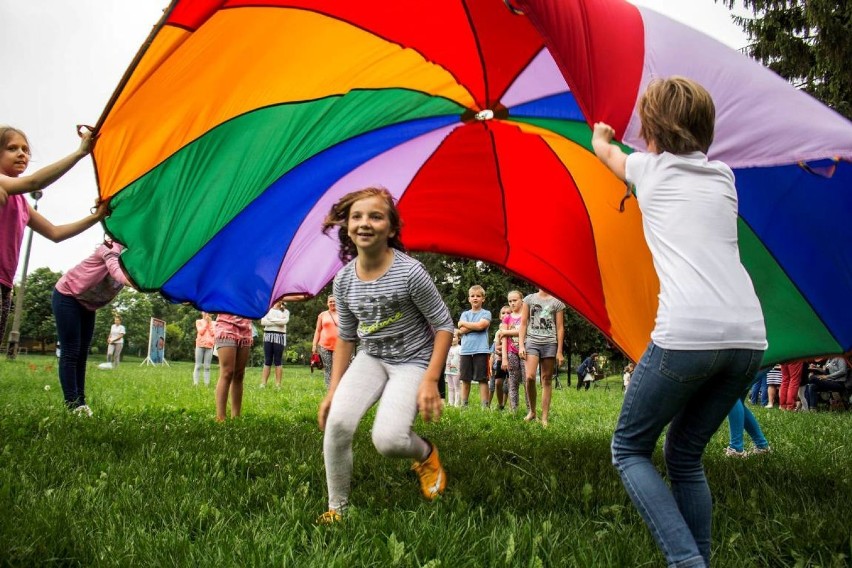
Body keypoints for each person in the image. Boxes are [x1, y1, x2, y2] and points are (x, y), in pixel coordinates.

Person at [592, 76, 767, 568]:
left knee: (629, 449)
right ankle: (702, 559)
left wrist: (603, 134)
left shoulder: (647, 169)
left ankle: (686, 561)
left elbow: (605, 152)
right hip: (748, 339)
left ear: (651, 130)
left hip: (687, 334)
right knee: (685, 454)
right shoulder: (723, 177)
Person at [316, 187, 453, 523]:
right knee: (337, 425)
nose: (365, 223)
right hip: (372, 358)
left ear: (391, 229)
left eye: (375, 216)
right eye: (357, 216)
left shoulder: (410, 273)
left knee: (389, 441)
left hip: (413, 361)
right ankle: (339, 509)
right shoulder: (344, 281)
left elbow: (444, 325)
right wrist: (333, 390)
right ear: (347, 226)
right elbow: (347, 338)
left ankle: (425, 453)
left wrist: (431, 380)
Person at [1, 126, 106, 352]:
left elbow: (55, 233)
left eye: (25, 150)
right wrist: (80, 153)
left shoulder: (21, 203)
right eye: (12, 148)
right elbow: (33, 183)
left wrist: (96, 216)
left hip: (5, 284)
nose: (22, 154)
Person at [52, 240, 129, 415]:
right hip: (67, 296)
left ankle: (81, 402)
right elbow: (116, 272)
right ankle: (72, 404)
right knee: (71, 351)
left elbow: (150, 276)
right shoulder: (110, 247)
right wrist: (138, 285)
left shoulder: (135, 256)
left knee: (82, 354)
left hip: (88, 304)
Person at [518, 288, 565, 427]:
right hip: (532, 341)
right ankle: (532, 411)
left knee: (546, 379)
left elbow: (560, 327)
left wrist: (559, 351)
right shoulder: (529, 299)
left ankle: (544, 418)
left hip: (550, 343)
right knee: (530, 377)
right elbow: (523, 323)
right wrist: (521, 345)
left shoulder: (557, 302)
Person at [214, 314, 253, 421]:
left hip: (245, 328)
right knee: (227, 372)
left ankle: (236, 417)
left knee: (239, 374)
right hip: (225, 326)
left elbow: (269, 297)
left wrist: (302, 296)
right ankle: (220, 418)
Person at [458, 285, 492, 408]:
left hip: (481, 350)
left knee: (482, 379)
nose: (475, 298)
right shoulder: (465, 314)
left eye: (478, 296)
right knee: (465, 379)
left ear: (483, 298)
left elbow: (481, 326)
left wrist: (465, 324)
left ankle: (485, 406)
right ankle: (464, 406)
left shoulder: (486, 313)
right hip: (466, 351)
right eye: (473, 296)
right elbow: (461, 331)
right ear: (469, 299)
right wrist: (472, 326)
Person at [500, 290, 524, 413]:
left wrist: (506, 332)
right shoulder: (507, 318)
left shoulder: (526, 315)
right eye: (510, 301)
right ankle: (514, 410)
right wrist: (504, 358)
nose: (512, 303)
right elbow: (503, 338)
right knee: (512, 382)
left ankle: (531, 409)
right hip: (511, 352)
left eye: (515, 300)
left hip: (525, 352)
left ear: (521, 300)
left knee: (527, 381)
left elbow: (525, 331)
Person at [260, 300, 290, 388]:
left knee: (278, 360)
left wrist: (270, 319)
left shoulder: (285, 311)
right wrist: (278, 321)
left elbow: (284, 322)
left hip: (279, 336)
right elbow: (263, 322)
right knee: (267, 360)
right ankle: (263, 383)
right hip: (268, 336)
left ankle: (278, 384)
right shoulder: (267, 309)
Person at [312, 296, 339, 389]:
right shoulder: (322, 315)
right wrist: (314, 344)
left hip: (339, 346)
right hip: (324, 345)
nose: (332, 303)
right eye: (330, 301)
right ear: (327, 303)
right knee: (328, 367)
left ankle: (337, 387)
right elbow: (318, 330)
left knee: (337, 367)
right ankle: (329, 388)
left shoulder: (343, 314)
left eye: (334, 301)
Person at [488, 305, 512, 410]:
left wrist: (504, 348)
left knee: (511, 384)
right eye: (503, 313)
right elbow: (497, 348)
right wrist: (504, 348)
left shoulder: (514, 328)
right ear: (499, 316)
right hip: (500, 360)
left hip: (512, 359)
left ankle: (512, 406)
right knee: (498, 383)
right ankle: (500, 404)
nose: (506, 315)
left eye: (508, 313)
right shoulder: (498, 332)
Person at [193, 312, 215, 386]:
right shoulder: (198, 321)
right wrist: (206, 323)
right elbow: (201, 332)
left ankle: (206, 384)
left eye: (208, 312)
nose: (207, 313)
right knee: (198, 365)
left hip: (209, 346)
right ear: (202, 313)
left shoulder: (213, 323)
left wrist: (209, 323)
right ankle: (196, 383)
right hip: (200, 345)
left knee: (207, 366)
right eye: (205, 312)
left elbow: (213, 333)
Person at [445, 330, 461, 407]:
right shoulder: (448, 348)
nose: (451, 338)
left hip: (456, 371)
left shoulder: (460, 348)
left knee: (456, 387)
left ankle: (456, 404)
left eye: (454, 336)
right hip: (448, 371)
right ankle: (450, 403)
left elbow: (462, 359)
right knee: (450, 387)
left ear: (459, 338)